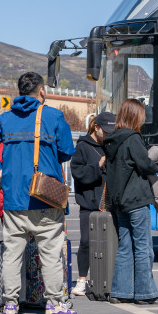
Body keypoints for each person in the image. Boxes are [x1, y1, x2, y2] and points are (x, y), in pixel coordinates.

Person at [0, 72, 77, 314]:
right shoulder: (53, 116)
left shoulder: (6, 119)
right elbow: (66, 151)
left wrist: (0, 168)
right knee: (51, 254)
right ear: (41, 92)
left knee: (12, 255)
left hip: (13, 199)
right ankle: (54, 304)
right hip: (45, 198)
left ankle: (10, 306)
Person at [103, 99, 158, 305]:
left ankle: (120, 292)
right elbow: (144, 165)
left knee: (125, 245)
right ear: (134, 116)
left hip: (119, 202)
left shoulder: (112, 140)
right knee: (143, 247)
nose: (144, 118)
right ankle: (145, 293)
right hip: (136, 200)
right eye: (141, 114)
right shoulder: (133, 138)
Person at [69, 111, 114, 296]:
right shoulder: (82, 146)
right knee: (87, 242)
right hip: (88, 202)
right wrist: (97, 166)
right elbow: (77, 172)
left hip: (108, 202)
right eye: (107, 131)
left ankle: (106, 278)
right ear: (96, 127)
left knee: (109, 243)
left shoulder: (112, 145)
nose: (109, 135)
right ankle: (82, 279)